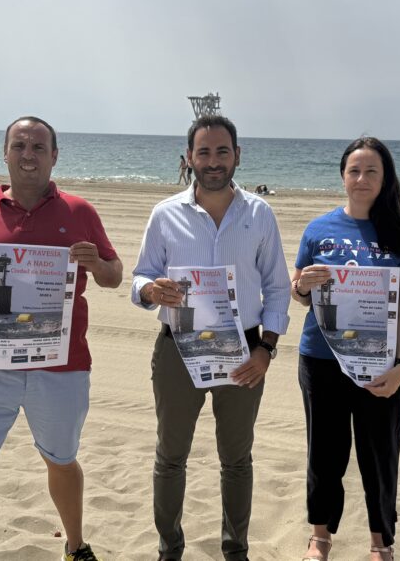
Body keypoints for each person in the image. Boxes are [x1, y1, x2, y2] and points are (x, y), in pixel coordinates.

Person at [0, 116, 122, 561]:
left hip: (62, 364)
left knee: (61, 458)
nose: (28, 155)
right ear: (4, 153)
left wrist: (96, 264)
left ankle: (76, 546)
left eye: (39, 147)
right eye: (19, 145)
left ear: (54, 156)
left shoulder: (80, 211)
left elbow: (115, 276)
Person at [131, 115, 290, 561]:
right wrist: (148, 289)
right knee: (170, 456)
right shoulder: (165, 214)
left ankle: (235, 549)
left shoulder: (259, 214)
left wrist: (267, 349)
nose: (214, 161)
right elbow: (141, 275)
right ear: (189, 159)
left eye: (223, 151)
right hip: (177, 347)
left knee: (237, 459)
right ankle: (170, 548)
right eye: (204, 152)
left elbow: (278, 287)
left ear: (238, 155)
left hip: (244, 350)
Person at [291, 137, 400, 561]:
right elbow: (297, 291)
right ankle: (320, 536)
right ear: (342, 176)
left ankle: (380, 542)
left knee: (380, 455)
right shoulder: (319, 229)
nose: (362, 178)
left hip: (380, 364)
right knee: (324, 454)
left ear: (385, 179)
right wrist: (301, 286)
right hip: (321, 358)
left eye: (372, 171)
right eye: (355, 170)